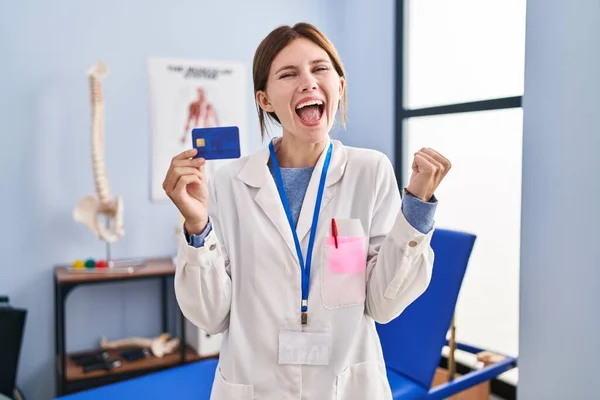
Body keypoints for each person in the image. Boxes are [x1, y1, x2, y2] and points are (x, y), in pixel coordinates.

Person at [163, 22, 451, 400]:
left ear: (340, 86)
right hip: (256, 386)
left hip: (345, 386)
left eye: (320, 69)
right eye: (288, 74)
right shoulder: (228, 183)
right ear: (265, 100)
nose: (308, 82)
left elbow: (383, 305)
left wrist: (415, 211)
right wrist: (197, 226)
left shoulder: (370, 171)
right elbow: (210, 316)